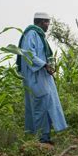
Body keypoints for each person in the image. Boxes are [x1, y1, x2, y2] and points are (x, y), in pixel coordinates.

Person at [17, 12, 67, 144]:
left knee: (48, 104)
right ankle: (41, 139)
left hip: (42, 76)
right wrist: (44, 65)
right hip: (35, 77)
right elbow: (28, 55)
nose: (48, 26)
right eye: (47, 23)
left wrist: (47, 66)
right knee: (40, 106)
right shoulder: (31, 34)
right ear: (41, 22)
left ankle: (45, 136)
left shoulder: (38, 35)